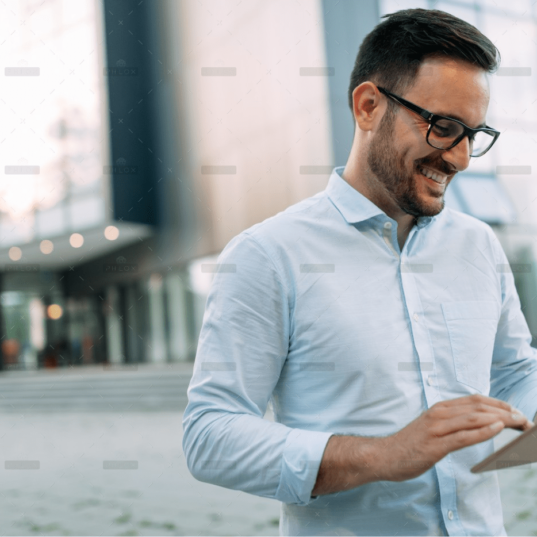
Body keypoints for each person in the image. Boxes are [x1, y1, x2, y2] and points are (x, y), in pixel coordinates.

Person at [182, 8, 537, 536]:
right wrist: (384, 455)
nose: (460, 158)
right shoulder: (268, 255)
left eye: (473, 133)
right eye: (443, 128)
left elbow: (514, 372)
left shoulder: (478, 245)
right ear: (369, 106)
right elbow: (209, 436)